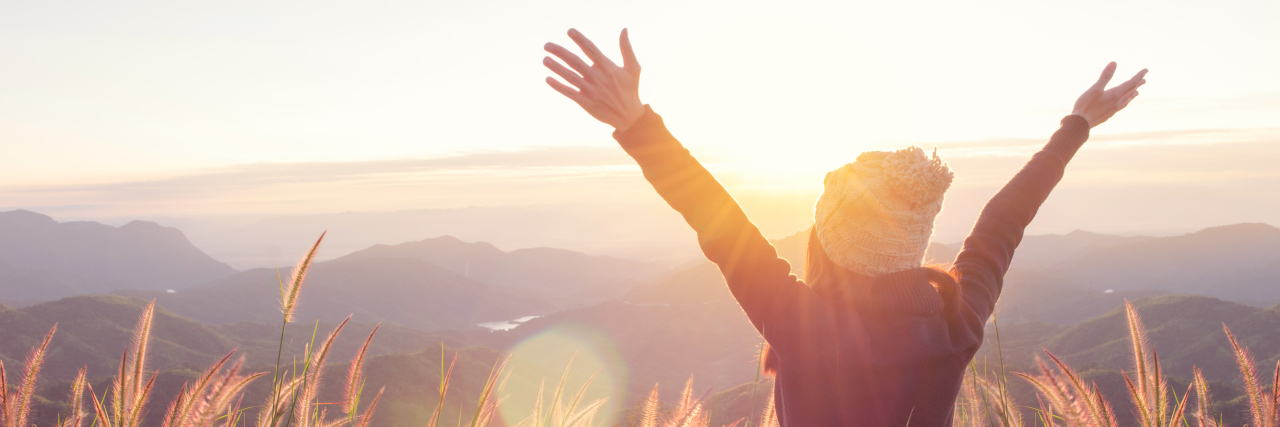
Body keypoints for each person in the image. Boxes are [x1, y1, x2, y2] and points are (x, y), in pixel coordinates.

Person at [542, 28, 1146, 426]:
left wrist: (636, 124)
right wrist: (1076, 125)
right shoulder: (957, 320)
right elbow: (1002, 225)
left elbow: (716, 220)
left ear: (825, 242)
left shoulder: (806, 327)